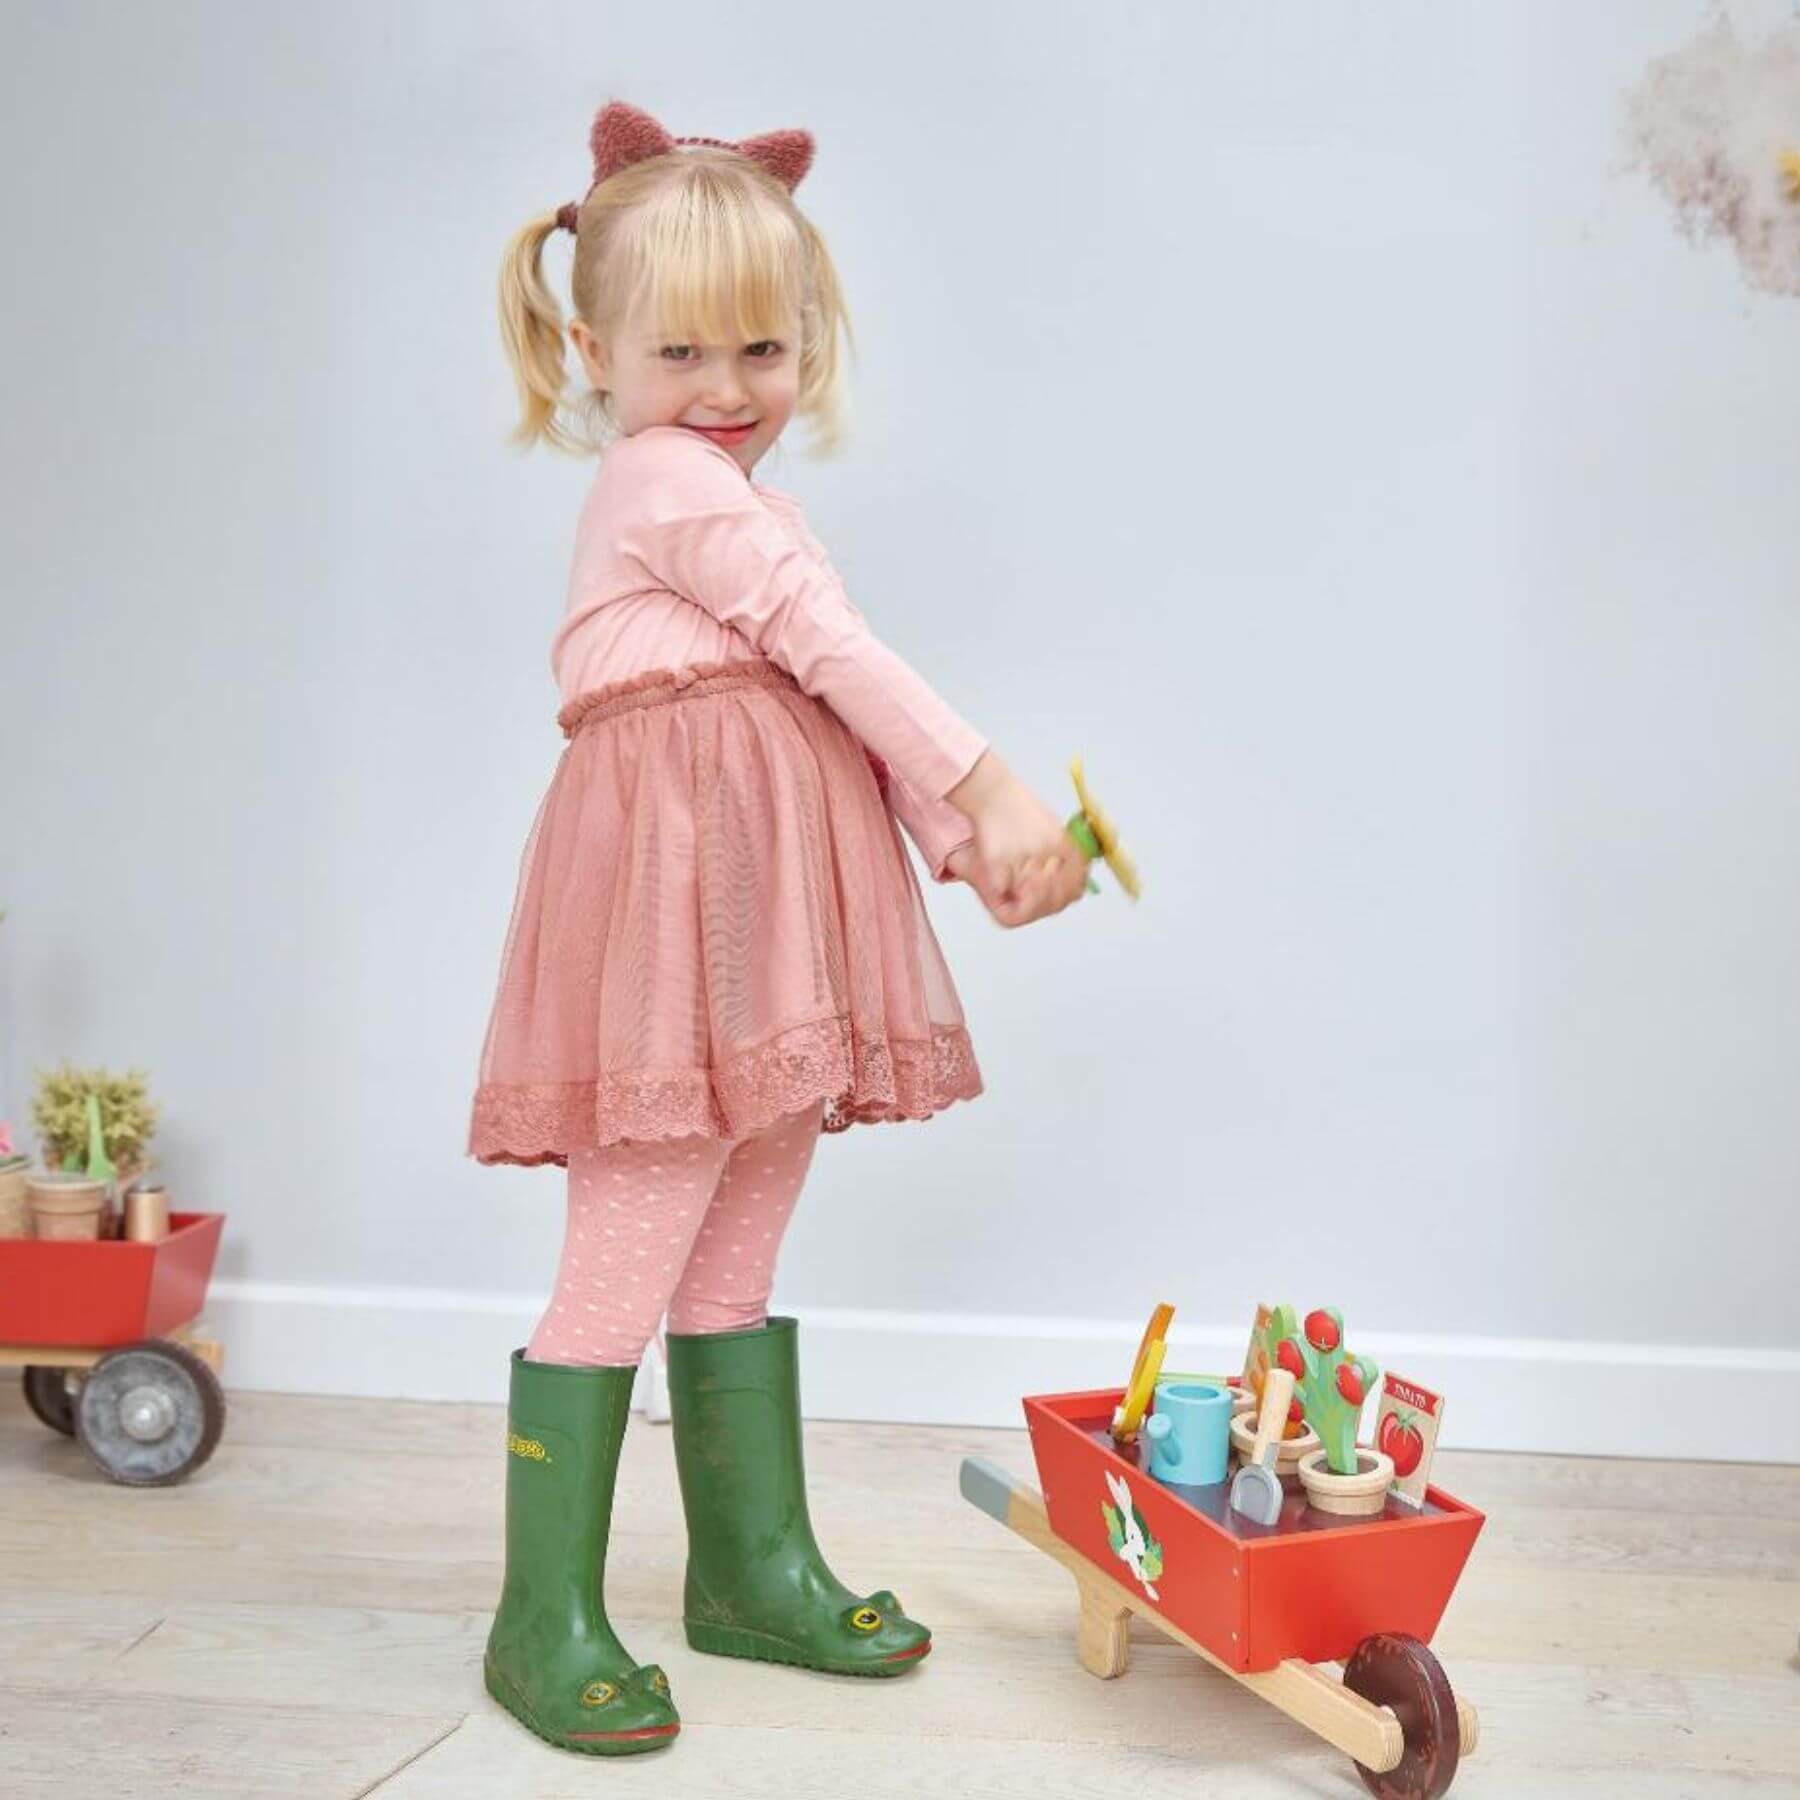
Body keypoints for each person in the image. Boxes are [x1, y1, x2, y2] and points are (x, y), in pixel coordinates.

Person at [470, 97, 1089, 1757]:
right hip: (680, 920)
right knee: (643, 1228)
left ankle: (749, 1568)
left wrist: (969, 842)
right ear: (593, 351)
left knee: (738, 1233)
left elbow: (830, 709)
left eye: (766, 345)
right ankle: (544, 1618)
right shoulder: (665, 481)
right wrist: (995, 779)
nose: (729, 391)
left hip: (771, 916)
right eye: (682, 352)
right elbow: (830, 649)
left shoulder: (742, 496)